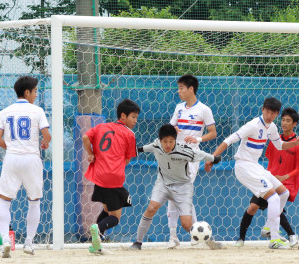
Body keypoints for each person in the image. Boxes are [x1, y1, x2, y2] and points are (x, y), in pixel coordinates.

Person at [205, 97, 299, 249]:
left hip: (255, 166)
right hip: (244, 166)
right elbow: (229, 140)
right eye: (266, 111)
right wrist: (212, 158)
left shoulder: (272, 127)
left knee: (283, 193)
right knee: (272, 199)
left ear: (276, 114)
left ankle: (268, 227)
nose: (268, 115)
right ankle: (274, 240)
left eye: (272, 113)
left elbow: (280, 146)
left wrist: (296, 142)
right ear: (262, 110)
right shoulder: (253, 125)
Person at [130, 124, 222, 250]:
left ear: (176, 140)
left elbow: (199, 153)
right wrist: (131, 150)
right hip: (163, 183)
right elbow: (144, 148)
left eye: (171, 141)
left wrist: (213, 158)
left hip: (183, 187)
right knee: (151, 207)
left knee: (186, 224)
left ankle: (209, 241)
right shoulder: (156, 145)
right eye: (165, 141)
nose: (168, 145)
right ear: (160, 140)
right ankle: (137, 242)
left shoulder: (183, 151)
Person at [0, 75, 51, 258]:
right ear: (27, 92)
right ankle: (28, 243)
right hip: (31, 158)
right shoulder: (37, 111)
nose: (36, 94)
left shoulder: (4, 112)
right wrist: (44, 143)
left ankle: (5, 240)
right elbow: (47, 135)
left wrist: (11, 147)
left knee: (4, 200)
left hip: (11, 159)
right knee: (34, 200)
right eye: (35, 91)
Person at [235, 107, 299, 248]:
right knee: (253, 207)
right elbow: (269, 158)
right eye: (283, 120)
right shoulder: (274, 138)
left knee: (276, 202)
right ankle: (241, 239)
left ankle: (288, 235)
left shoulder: (298, 144)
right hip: (267, 177)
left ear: (295, 124)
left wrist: (285, 176)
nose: (284, 123)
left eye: (288, 121)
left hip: (285, 181)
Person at [83, 99, 140, 254]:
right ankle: (98, 228)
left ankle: (96, 244)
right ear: (123, 116)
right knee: (115, 217)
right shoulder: (129, 134)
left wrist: (91, 153)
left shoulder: (101, 126)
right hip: (114, 176)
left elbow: (85, 138)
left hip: (99, 175)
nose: (135, 121)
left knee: (107, 210)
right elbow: (128, 159)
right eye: (133, 117)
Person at [166, 74, 217, 248]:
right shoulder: (179, 108)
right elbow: (170, 128)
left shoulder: (204, 109)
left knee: (180, 193)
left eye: (181, 88)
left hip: (191, 157)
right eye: (178, 88)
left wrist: (198, 140)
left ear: (191, 89)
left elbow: (213, 132)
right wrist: (174, 129)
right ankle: (177, 237)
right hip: (174, 156)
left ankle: (195, 236)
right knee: (174, 195)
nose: (178, 91)